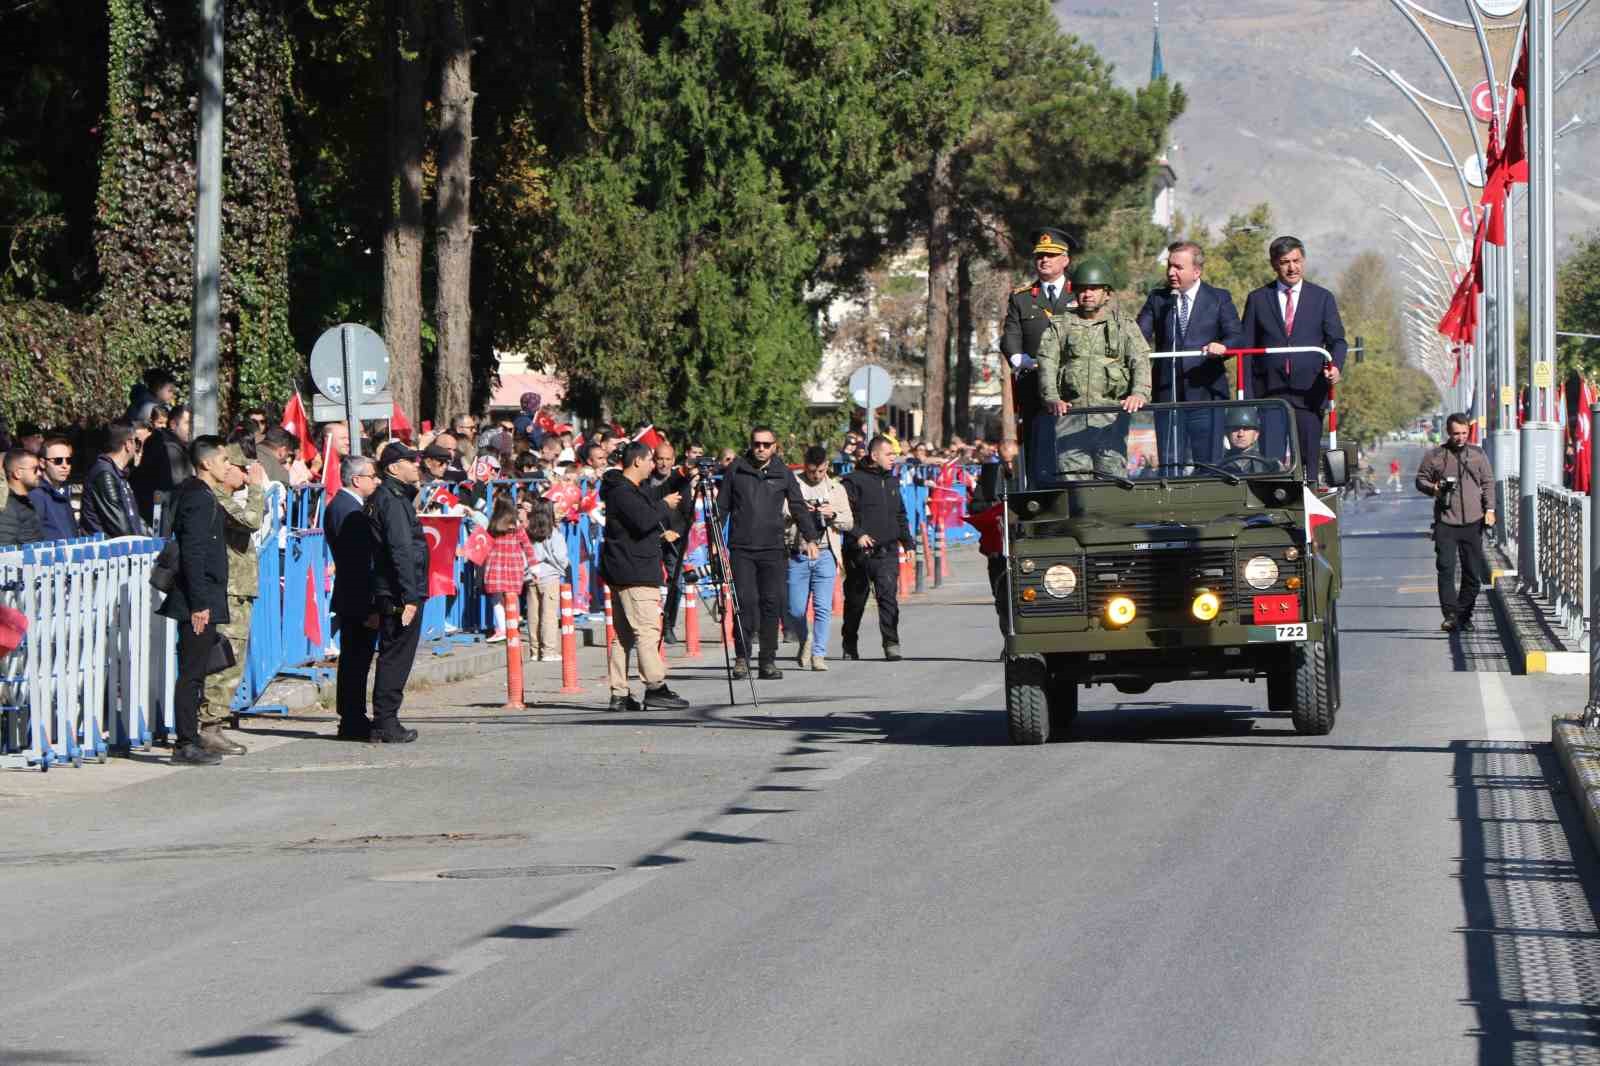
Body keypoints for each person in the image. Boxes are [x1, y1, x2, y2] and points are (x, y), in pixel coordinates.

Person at [1035, 255, 1152, 481]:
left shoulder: (1123, 325)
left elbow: (1140, 359)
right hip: (1070, 418)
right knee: (1073, 484)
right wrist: (1051, 397)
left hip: (1110, 419)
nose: (1087, 294)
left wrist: (1139, 393)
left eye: (1094, 289)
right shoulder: (1061, 325)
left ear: (1106, 293)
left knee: (1112, 482)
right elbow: (1047, 362)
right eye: (1082, 289)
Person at [1241, 235, 1348, 482]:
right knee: (1271, 461)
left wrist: (1336, 367)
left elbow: (1337, 341)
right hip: (1270, 393)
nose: (1292, 267)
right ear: (1274, 264)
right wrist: (1245, 397)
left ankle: (1307, 502)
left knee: (1309, 460)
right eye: (1285, 262)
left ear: (1304, 261)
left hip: (1309, 393)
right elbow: (1246, 349)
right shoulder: (1258, 299)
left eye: (1296, 260)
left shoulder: (1322, 298)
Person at [718, 428, 822, 679]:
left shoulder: (783, 473)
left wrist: (810, 537)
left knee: (770, 604)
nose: (761, 448)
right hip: (742, 547)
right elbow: (721, 507)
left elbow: (798, 506)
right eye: (757, 444)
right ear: (751, 445)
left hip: (773, 548)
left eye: (766, 444)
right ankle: (742, 657)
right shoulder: (737, 470)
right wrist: (714, 539)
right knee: (745, 602)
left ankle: (767, 661)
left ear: (775, 446)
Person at [157, 436, 235, 766]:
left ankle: (190, 739)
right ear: (206, 463)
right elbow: (194, 552)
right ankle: (185, 743)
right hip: (197, 600)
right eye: (224, 460)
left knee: (197, 670)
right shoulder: (199, 498)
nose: (228, 466)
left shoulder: (195, 492)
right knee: (191, 673)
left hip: (201, 596)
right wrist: (200, 604)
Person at [1137, 240, 1243, 471]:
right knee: (1170, 463)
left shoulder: (1218, 298)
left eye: (1178, 267)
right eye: (1169, 266)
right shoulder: (1159, 299)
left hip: (1206, 395)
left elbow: (1236, 335)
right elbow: (1138, 336)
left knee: (1208, 465)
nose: (1171, 272)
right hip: (1168, 394)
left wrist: (1222, 347)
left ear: (1196, 271)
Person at [600, 442, 690, 711]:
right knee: (648, 630)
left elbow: (640, 518)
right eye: (651, 460)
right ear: (637, 461)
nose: (654, 465)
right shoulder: (622, 492)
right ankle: (655, 686)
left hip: (626, 568)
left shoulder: (627, 490)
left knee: (623, 635)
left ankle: (619, 693)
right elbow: (643, 520)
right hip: (634, 572)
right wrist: (664, 505)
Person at [196, 444, 267, 754]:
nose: (244, 471)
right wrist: (256, 488)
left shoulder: (221, 499)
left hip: (238, 589)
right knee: (224, 662)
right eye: (240, 466)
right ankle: (210, 726)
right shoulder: (218, 500)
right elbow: (251, 520)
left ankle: (216, 722)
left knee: (232, 660)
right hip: (228, 590)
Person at [366, 442, 428, 743]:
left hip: (394, 589)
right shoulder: (390, 500)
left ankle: (383, 721)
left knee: (394, 654)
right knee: (396, 656)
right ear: (393, 467)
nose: (416, 465)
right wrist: (410, 596)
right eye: (409, 461)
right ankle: (386, 721)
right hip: (398, 591)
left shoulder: (395, 496)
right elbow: (401, 549)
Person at [1001, 226, 1076, 478]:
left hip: (1073, 387)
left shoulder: (1080, 294)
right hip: (1035, 387)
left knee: (1073, 450)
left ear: (1065, 260)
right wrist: (1018, 358)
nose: (1044, 259)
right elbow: (1010, 335)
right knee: (1038, 452)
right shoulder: (1021, 298)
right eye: (1040, 255)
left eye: (1051, 255)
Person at [1417, 413, 1496, 632]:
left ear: (1468, 432)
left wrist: (1490, 509)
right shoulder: (1435, 455)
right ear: (1448, 433)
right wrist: (1433, 488)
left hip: (1473, 522)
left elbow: (1488, 482)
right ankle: (1450, 615)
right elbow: (1420, 479)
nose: (1460, 437)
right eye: (1455, 434)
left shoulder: (1478, 455)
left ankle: (1463, 614)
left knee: (1472, 574)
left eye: (1463, 433)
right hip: (1446, 522)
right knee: (1446, 569)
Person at [841, 435, 912, 661]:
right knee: (855, 601)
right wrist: (857, 534)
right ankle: (849, 642)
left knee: (888, 598)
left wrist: (907, 541)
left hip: (887, 551)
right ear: (874, 455)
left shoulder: (891, 481)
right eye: (889, 454)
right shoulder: (852, 481)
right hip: (860, 553)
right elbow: (844, 515)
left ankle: (891, 643)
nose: (894, 458)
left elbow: (900, 514)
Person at [328, 454, 381, 740]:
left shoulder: (348, 506)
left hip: (353, 595)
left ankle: (353, 716)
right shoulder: (348, 509)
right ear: (356, 479)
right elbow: (360, 563)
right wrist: (370, 604)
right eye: (372, 476)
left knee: (357, 659)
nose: (376, 481)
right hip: (357, 597)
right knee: (355, 661)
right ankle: (352, 719)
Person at [785, 445, 852, 671]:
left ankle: (818, 654)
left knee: (823, 607)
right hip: (798, 553)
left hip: (825, 553)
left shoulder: (836, 488)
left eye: (821, 471)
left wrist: (832, 515)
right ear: (805, 466)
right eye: (812, 471)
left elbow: (848, 521)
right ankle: (805, 638)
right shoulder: (792, 483)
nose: (816, 476)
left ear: (827, 467)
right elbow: (778, 513)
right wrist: (798, 511)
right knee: (795, 609)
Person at [967, 439, 1022, 634]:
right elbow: (974, 506)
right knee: (1001, 595)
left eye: (1012, 461)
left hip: (1022, 543)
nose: (1008, 466)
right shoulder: (990, 476)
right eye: (1004, 461)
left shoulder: (1029, 475)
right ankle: (1008, 637)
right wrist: (993, 510)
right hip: (997, 546)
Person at [648, 442, 695, 642]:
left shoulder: (680, 483)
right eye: (660, 459)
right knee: (649, 583)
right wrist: (658, 533)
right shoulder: (645, 481)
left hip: (674, 538)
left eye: (668, 459)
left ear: (673, 461)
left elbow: (688, 514)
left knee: (675, 583)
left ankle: (668, 624)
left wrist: (676, 532)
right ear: (654, 459)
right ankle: (648, 625)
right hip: (651, 536)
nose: (664, 463)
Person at [82, 422, 147, 537]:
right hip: (107, 551)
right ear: (128, 444)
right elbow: (120, 527)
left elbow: (134, 518)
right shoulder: (104, 474)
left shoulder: (118, 473)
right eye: (137, 442)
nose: (138, 447)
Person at [133, 403, 195, 524]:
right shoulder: (169, 448)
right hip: (162, 517)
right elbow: (177, 487)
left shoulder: (169, 443)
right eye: (187, 423)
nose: (191, 428)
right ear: (173, 424)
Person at [525, 499, 568, 662]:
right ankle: (548, 650)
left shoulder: (528, 532)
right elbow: (560, 557)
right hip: (549, 576)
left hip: (530, 576)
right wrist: (561, 566)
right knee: (549, 614)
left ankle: (535, 650)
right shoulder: (554, 533)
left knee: (533, 614)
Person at [31, 436, 78, 541]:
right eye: (58, 461)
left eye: (69, 460)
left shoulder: (64, 490)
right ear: (42, 463)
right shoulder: (36, 494)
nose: (65, 465)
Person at [1216, 407, 1283, 473]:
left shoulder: (1272, 467)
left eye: (1246, 429)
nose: (1240, 434)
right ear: (1227, 433)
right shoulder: (1215, 467)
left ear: (1256, 435)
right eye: (1235, 429)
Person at [0, 449, 44, 547]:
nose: (40, 474)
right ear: (18, 473)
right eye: (35, 469)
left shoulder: (24, 502)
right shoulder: (7, 507)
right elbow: (4, 550)